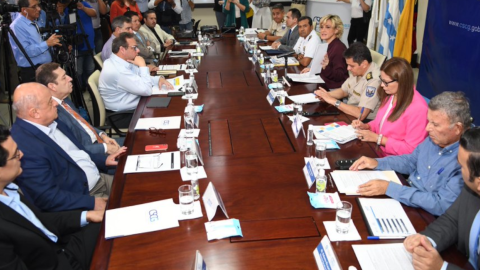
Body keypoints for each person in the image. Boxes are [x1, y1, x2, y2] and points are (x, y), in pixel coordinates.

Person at [350, 91, 472, 216]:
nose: (427, 128)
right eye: (429, 121)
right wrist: (377, 162)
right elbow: (411, 161)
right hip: (407, 196)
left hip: (427, 215)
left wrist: (390, 188)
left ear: (457, 128)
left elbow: (440, 204)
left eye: (435, 124)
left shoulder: (467, 158)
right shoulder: (436, 138)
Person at [0, 125, 104, 270]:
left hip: (63, 249)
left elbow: (38, 221)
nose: (22, 154)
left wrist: (87, 215)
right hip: (58, 263)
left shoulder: (9, 189)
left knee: (114, 221)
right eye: (16, 154)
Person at [10, 83, 126, 212]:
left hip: (100, 178)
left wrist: (103, 160)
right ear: (35, 113)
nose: (55, 103)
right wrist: (91, 202)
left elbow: (77, 152)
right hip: (85, 197)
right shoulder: (24, 145)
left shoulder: (52, 121)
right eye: (50, 101)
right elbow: (46, 197)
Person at [403, 127, 480, 270]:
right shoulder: (471, 189)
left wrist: (442, 267)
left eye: (462, 166)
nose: (458, 167)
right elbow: (452, 220)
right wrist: (427, 239)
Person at [36, 63, 124, 156]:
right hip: (93, 154)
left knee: (139, 141)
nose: (70, 78)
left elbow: (83, 125)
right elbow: (73, 149)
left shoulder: (65, 99)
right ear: (52, 86)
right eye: (64, 77)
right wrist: (105, 148)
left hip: (100, 142)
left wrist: (102, 135)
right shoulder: (53, 113)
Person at [351, 57, 428, 157]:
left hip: (396, 161)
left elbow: (411, 150)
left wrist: (379, 139)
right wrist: (366, 126)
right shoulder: (391, 94)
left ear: (402, 81)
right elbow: (381, 122)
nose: (382, 85)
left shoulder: (418, 109)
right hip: (378, 151)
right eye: (381, 80)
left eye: (386, 82)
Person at [99, 33, 173, 112]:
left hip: (137, 102)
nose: (138, 50)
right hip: (126, 114)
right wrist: (142, 65)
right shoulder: (118, 71)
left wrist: (158, 79)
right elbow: (146, 90)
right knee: (171, 108)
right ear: (122, 50)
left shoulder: (119, 61)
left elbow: (139, 76)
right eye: (134, 48)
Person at [314, 42, 381, 121]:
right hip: (349, 112)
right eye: (348, 65)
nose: (348, 68)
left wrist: (333, 101)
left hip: (364, 122)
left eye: (351, 66)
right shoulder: (358, 70)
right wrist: (326, 95)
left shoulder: (374, 81)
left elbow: (361, 114)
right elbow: (344, 91)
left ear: (364, 64)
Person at [9, 0, 62, 83]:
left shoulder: (34, 22)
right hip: (32, 71)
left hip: (45, 67)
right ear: (24, 10)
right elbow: (26, 51)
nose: (39, 9)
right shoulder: (16, 26)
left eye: (38, 5)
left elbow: (38, 42)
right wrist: (47, 44)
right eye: (34, 7)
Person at [300, 14, 348, 90]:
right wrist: (314, 69)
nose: (323, 30)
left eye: (328, 27)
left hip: (333, 89)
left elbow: (339, 76)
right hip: (323, 82)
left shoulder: (339, 48)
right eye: (322, 27)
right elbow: (325, 67)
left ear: (336, 30)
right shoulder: (327, 45)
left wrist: (326, 66)